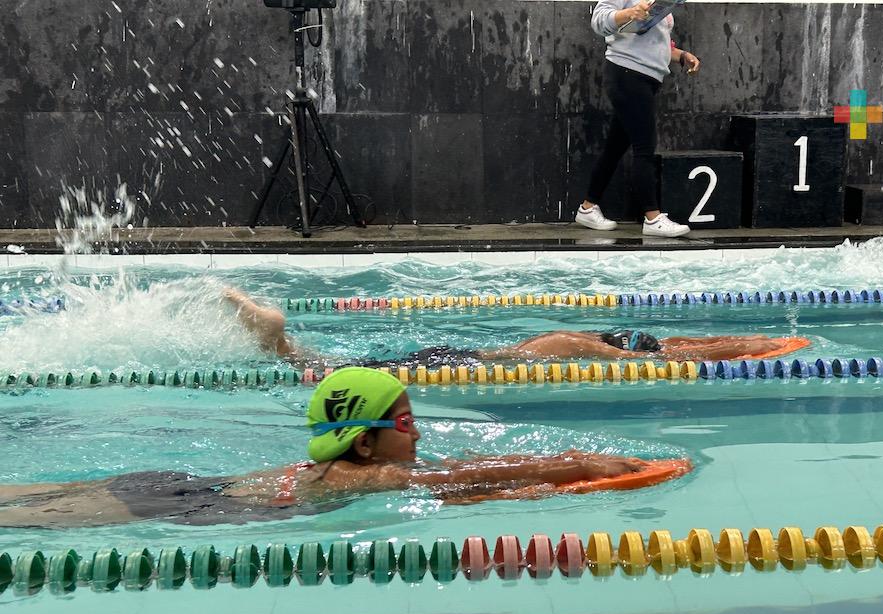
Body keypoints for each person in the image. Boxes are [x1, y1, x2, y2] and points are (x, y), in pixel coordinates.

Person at [0, 368, 666, 528]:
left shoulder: (334, 471)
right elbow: (468, 477)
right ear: (367, 445)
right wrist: (580, 466)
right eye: (406, 423)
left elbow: (470, 483)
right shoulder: (357, 483)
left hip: (180, 485)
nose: (421, 432)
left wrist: (533, 488)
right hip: (170, 507)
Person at [225, 288, 810, 367]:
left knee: (341, 370)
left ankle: (278, 340)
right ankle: (277, 341)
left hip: (457, 354)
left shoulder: (563, 342)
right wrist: (757, 351)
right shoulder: (576, 350)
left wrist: (769, 345)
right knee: (335, 374)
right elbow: (668, 358)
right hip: (457, 364)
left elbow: (683, 347)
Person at [574, 0, 701, 238]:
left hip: (644, 76)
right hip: (628, 74)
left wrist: (681, 55)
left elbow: (651, 42)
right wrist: (630, 12)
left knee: (615, 147)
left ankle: (587, 208)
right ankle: (652, 218)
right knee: (645, 147)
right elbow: (599, 20)